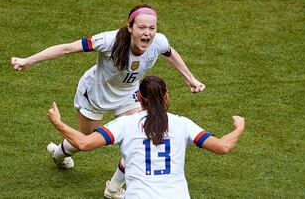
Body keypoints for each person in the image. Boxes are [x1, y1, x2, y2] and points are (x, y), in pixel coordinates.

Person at [11, 4, 205, 198]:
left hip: (129, 96)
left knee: (140, 138)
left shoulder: (159, 42)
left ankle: (113, 187)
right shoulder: (108, 41)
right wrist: (28, 60)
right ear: (130, 27)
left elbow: (170, 53)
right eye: (142, 28)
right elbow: (67, 49)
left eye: (152, 28)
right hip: (95, 96)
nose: (147, 33)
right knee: (85, 140)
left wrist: (190, 78)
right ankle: (59, 153)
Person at [47, 75, 245, 199]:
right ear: (166, 97)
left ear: (138, 98)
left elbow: (83, 143)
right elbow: (223, 147)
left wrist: (57, 122)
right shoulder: (183, 124)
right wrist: (239, 128)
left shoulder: (125, 124)